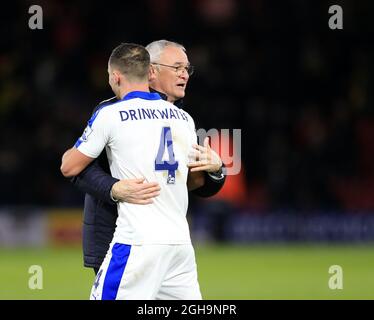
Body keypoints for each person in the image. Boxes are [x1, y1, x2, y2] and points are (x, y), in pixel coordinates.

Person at [61, 42, 217, 299]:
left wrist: (115, 188)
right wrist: (216, 167)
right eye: (177, 67)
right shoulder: (184, 119)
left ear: (115, 76)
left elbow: (69, 167)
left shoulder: (112, 114)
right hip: (179, 245)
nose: (184, 74)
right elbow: (190, 180)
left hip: (136, 242)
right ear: (150, 73)